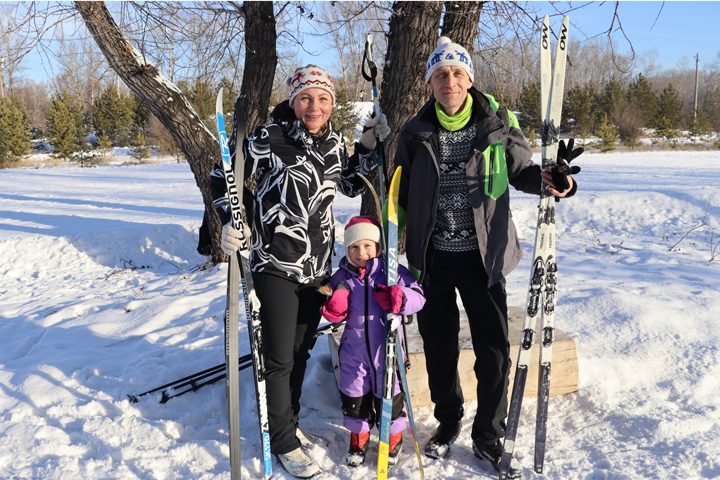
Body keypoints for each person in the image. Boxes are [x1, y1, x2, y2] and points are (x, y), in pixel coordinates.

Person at [392, 37, 582, 479]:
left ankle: (488, 434)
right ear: (430, 84)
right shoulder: (413, 132)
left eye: (457, 73)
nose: (449, 81)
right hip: (432, 260)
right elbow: (397, 194)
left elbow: (523, 173)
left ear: (470, 79)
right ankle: (448, 420)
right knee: (438, 348)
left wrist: (555, 180)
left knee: (493, 350)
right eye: (440, 75)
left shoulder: (497, 123)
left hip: (485, 259)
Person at [213, 65, 390, 479]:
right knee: (277, 358)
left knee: (300, 352)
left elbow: (349, 183)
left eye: (323, 99)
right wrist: (228, 219)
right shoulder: (270, 137)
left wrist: (365, 142)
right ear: (293, 101)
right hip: (274, 263)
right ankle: (283, 441)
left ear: (331, 104)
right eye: (306, 98)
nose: (315, 106)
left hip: (318, 269)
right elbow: (223, 173)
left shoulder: (332, 142)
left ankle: (286, 423)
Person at [319, 216, 426, 468]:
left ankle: (393, 438)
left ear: (378, 246)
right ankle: (359, 438)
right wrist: (333, 306)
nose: (361, 252)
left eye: (367, 245)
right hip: (353, 352)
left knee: (390, 396)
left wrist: (401, 298)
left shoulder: (392, 273)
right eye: (354, 247)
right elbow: (328, 305)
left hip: (386, 351)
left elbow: (419, 296)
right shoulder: (341, 277)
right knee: (354, 398)